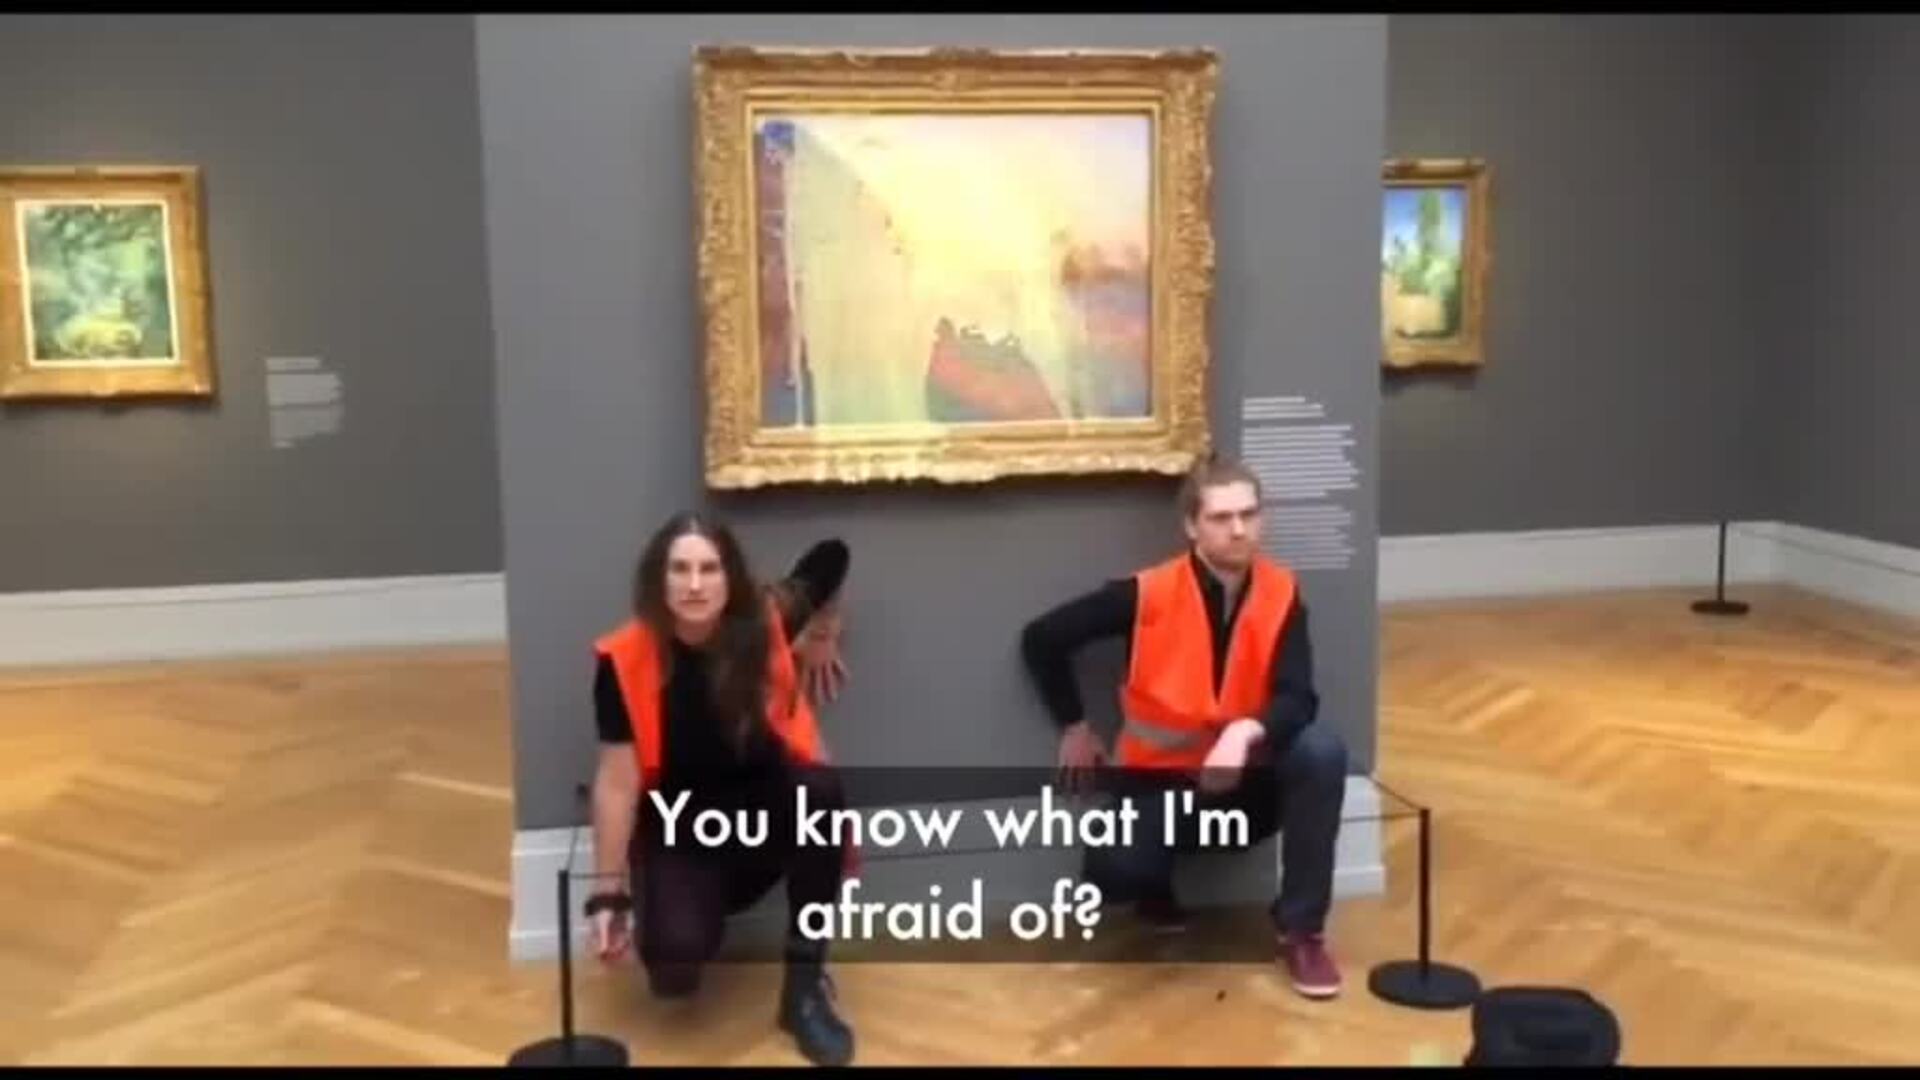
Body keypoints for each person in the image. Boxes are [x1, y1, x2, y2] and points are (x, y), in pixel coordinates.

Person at [1018, 454, 1351, 999]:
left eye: (1248, 514)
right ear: (1192, 527)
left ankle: (1301, 931)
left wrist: (1243, 734)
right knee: (1115, 870)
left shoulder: (1282, 592)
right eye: (1221, 517)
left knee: (1321, 751)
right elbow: (1042, 639)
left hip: (1247, 787)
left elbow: (1298, 697)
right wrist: (1074, 725)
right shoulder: (1147, 592)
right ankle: (1153, 881)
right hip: (1162, 785)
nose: (1238, 529)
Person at [585, 511, 856, 1066]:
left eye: (709, 569)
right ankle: (680, 908)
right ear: (658, 580)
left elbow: (832, 556)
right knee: (673, 971)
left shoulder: (766, 621)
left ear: (729, 578)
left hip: (765, 819)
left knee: (820, 792)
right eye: (679, 569)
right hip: (682, 833)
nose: (694, 584)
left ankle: (804, 989)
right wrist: (607, 896)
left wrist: (824, 628)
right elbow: (615, 784)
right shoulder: (624, 660)